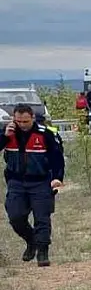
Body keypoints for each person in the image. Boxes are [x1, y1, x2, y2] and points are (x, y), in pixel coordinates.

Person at [4, 104, 64, 267]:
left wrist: (57, 177)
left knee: (42, 218)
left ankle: (43, 252)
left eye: (25, 121)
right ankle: (31, 241)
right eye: (18, 121)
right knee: (15, 216)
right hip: (16, 182)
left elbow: (57, 157)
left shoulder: (46, 134)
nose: (22, 125)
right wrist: (5, 136)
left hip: (41, 181)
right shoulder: (7, 132)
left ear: (32, 118)